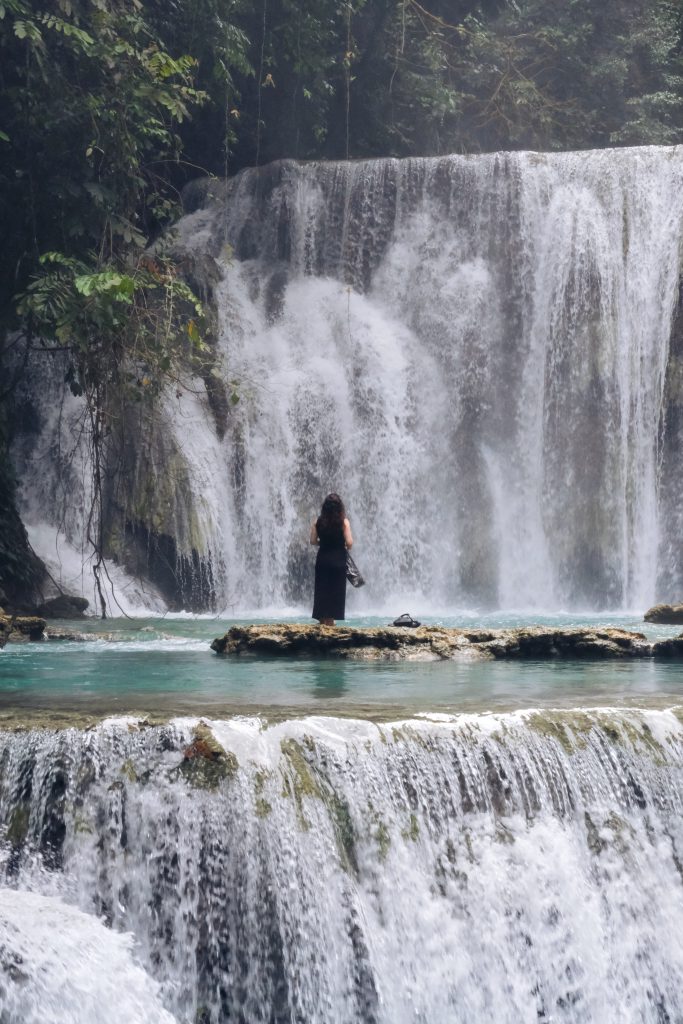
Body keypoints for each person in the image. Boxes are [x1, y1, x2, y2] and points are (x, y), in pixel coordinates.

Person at [310, 493, 353, 626]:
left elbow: (312, 541)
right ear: (340, 507)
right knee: (335, 591)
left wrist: (323, 543)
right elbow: (350, 543)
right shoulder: (344, 522)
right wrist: (340, 544)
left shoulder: (317, 522)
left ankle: (322, 621)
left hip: (323, 560)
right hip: (338, 561)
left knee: (322, 591)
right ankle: (331, 623)